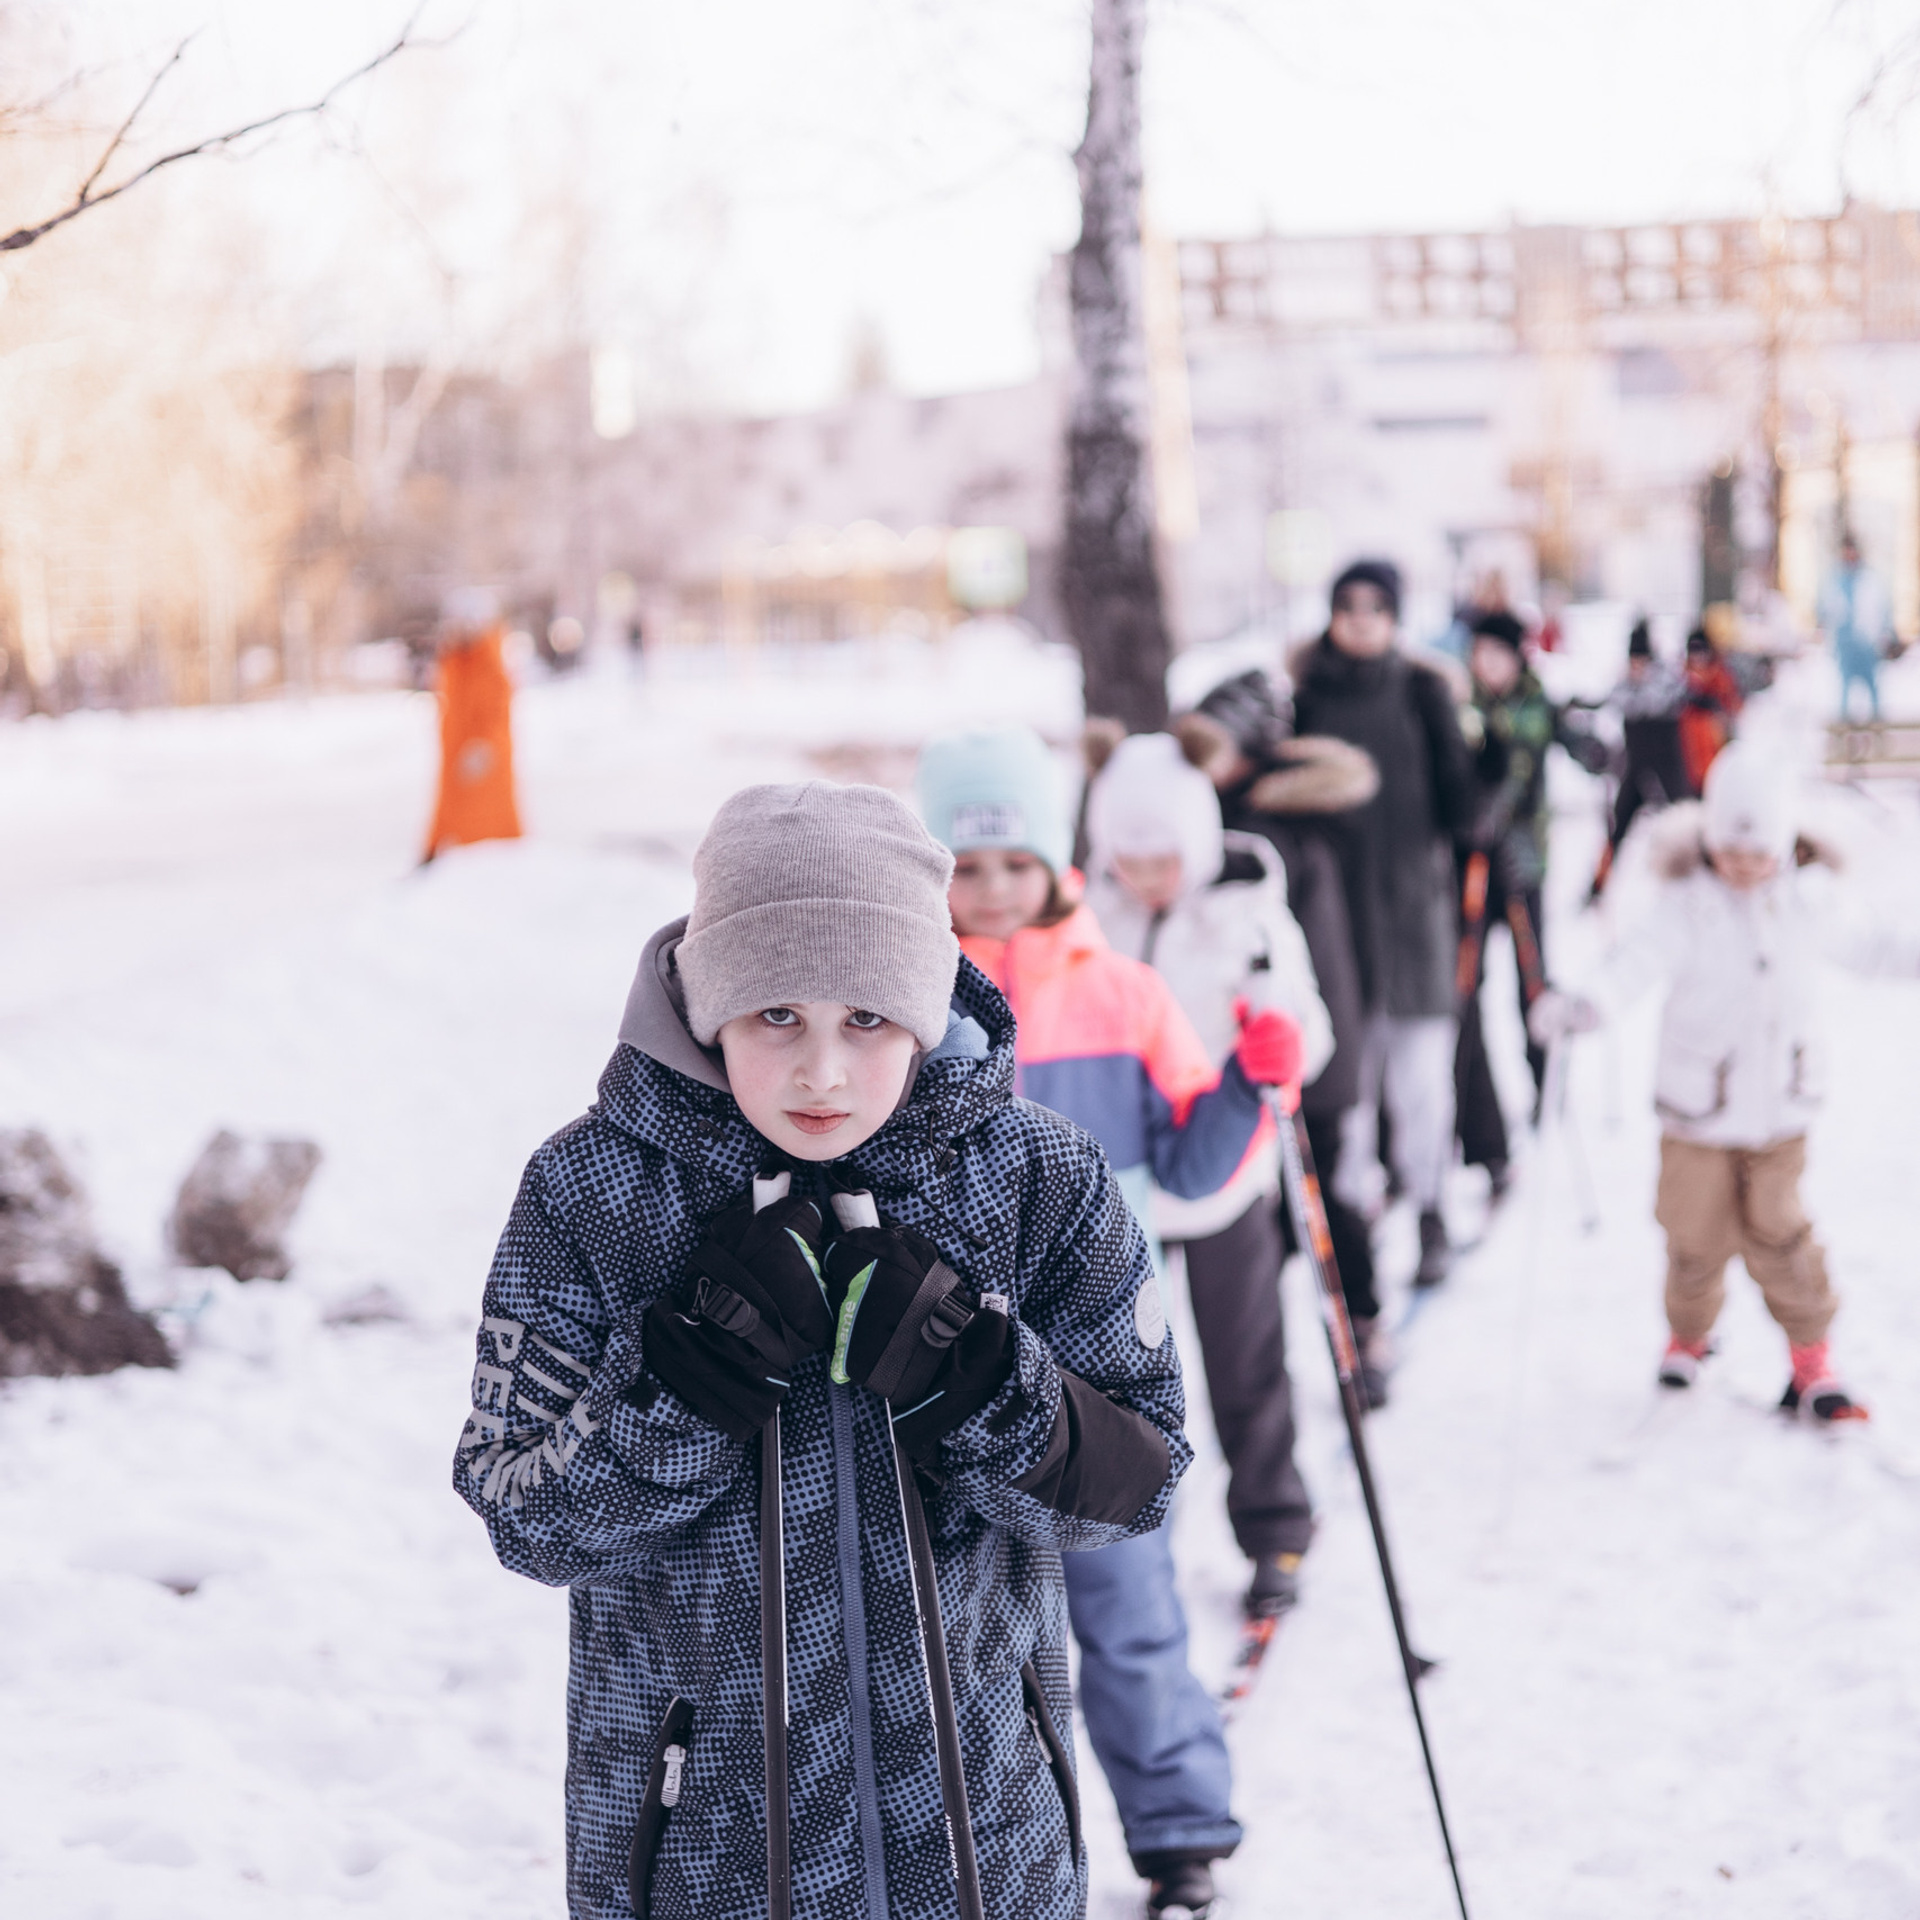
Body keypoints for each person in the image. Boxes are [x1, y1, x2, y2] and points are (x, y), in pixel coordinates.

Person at [455, 779, 1191, 1919]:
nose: (822, 1072)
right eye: (775, 1016)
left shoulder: (1037, 1181)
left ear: (926, 1004)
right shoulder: (592, 1189)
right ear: (707, 1008)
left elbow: (1138, 1486)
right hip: (699, 1862)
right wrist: (685, 1389)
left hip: (983, 1852)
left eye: (867, 1019)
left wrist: (982, 1386)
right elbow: (523, 1515)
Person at [918, 727, 1303, 1920]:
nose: (989, 893)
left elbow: (1191, 1169)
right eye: (964, 870)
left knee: (1127, 1601)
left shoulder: (1125, 996)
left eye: (1011, 865)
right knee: (957, 1625)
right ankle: (959, 1849)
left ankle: (1179, 1828)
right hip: (944, 1357)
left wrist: (1254, 1084)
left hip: (1093, 1360)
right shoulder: (906, 1005)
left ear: (1054, 865)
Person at [1537, 745, 1892, 1421]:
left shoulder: (1806, 902)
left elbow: (1873, 945)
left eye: (1759, 853)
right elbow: (1631, 964)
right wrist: (1586, 1006)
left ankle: (1811, 1358)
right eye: (1729, 850)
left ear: (1785, 844)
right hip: (1696, 1115)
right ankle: (1689, 1337)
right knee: (1692, 1237)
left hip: (1781, 1111)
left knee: (1783, 1236)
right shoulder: (1685, 906)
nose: (1743, 866)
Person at [1080, 729, 1334, 1620]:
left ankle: (1276, 1529)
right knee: (1133, 1380)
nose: (1148, 877)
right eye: (1130, 857)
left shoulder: (1248, 917)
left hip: (1224, 1184)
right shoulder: (1085, 918)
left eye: (1164, 858)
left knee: (1246, 1366)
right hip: (1119, 1194)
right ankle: (1141, 1540)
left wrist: (1281, 1049)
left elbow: (1307, 1025)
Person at [1175, 670, 1392, 1405]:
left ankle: (1359, 1323)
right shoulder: (1207, 816)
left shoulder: (1274, 833)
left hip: (1304, 1043)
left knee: (1321, 1196)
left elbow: (1330, 948)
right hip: (1252, 1051)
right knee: (1264, 1212)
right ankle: (1275, 1357)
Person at [1289, 559, 1478, 1287]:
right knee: (1349, 1091)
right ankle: (1353, 1225)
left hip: (1414, 914)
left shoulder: (1424, 692)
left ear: (1397, 616)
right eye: (1349, 605)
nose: (1362, 618)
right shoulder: (1309, 696)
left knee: (1422, 1084)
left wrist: (1487, 777)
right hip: (1336, 924)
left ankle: (1431, 1208)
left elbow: (1462, 809)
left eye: (1377, 606)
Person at [1453, 610, 1607, 1181]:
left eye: (1498, 654)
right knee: (1467, 986)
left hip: (1521, 867)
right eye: (1480, 653)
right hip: (1470, 866)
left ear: (1519, 658)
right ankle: (1471, 1111)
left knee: (1532, 984)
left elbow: (1574, 744)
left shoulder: (1539, 704)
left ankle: (1547, 1086)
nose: (1487, 665)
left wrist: (1596, 752)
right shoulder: (1462, 705)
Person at [1584, 618, 1689, 903]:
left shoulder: (1667, 685)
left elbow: (1671, 696)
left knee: (1684, 823)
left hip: (1668, 767)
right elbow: (1607, 701)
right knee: (1616, 829)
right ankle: (1598, 885)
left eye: (1641, 662)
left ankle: (1694, 881)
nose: (1636, 669)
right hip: (1635, 768)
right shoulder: (1624, 687)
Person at [422, 588, 523, 863]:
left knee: (486, 816)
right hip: (455, 753)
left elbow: (497, 713)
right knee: (453, 806)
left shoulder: (490, 664)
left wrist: (485, 746)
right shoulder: (455, 661)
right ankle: (438, 848)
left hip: (481, 761)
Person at [1818, 532, 1892, 724]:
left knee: (1872, 684)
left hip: (1866, 641)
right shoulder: (1834, 579)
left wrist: (1885, 633)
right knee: (1845, 684)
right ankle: (1844, 726)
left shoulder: (1869, 579)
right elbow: (1824, 608)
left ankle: (1877, 724)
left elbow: (1882, 608)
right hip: (1844, 643)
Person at [1678, 626, 1743, 799]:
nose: (1698, 658)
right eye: (1693, 652)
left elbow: (1733, 707)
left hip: (1715, 753)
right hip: (1690, 761)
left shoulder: (1720, 677)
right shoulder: (1682, 680)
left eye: (1701, 651)